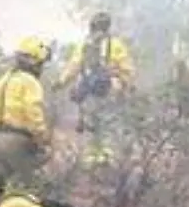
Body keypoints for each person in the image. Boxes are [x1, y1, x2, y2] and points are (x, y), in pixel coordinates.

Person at [57, 12, 136, 167]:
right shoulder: (116, 45)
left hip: (88, 90)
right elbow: (127, 68)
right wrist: (129, 85)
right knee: (109, 124)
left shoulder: (85, 45)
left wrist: (61, 81)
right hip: (111, 88)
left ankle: (91, 160)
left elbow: (73, 66)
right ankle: (107, 159)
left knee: (90, 125)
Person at [0, 37, 55, 187]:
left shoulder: (0, 82)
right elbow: (33, 112)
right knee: (34, 191)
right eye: (41, 64)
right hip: (17, 144)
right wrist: (42, 140)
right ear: (35, 63)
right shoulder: (30, 82)